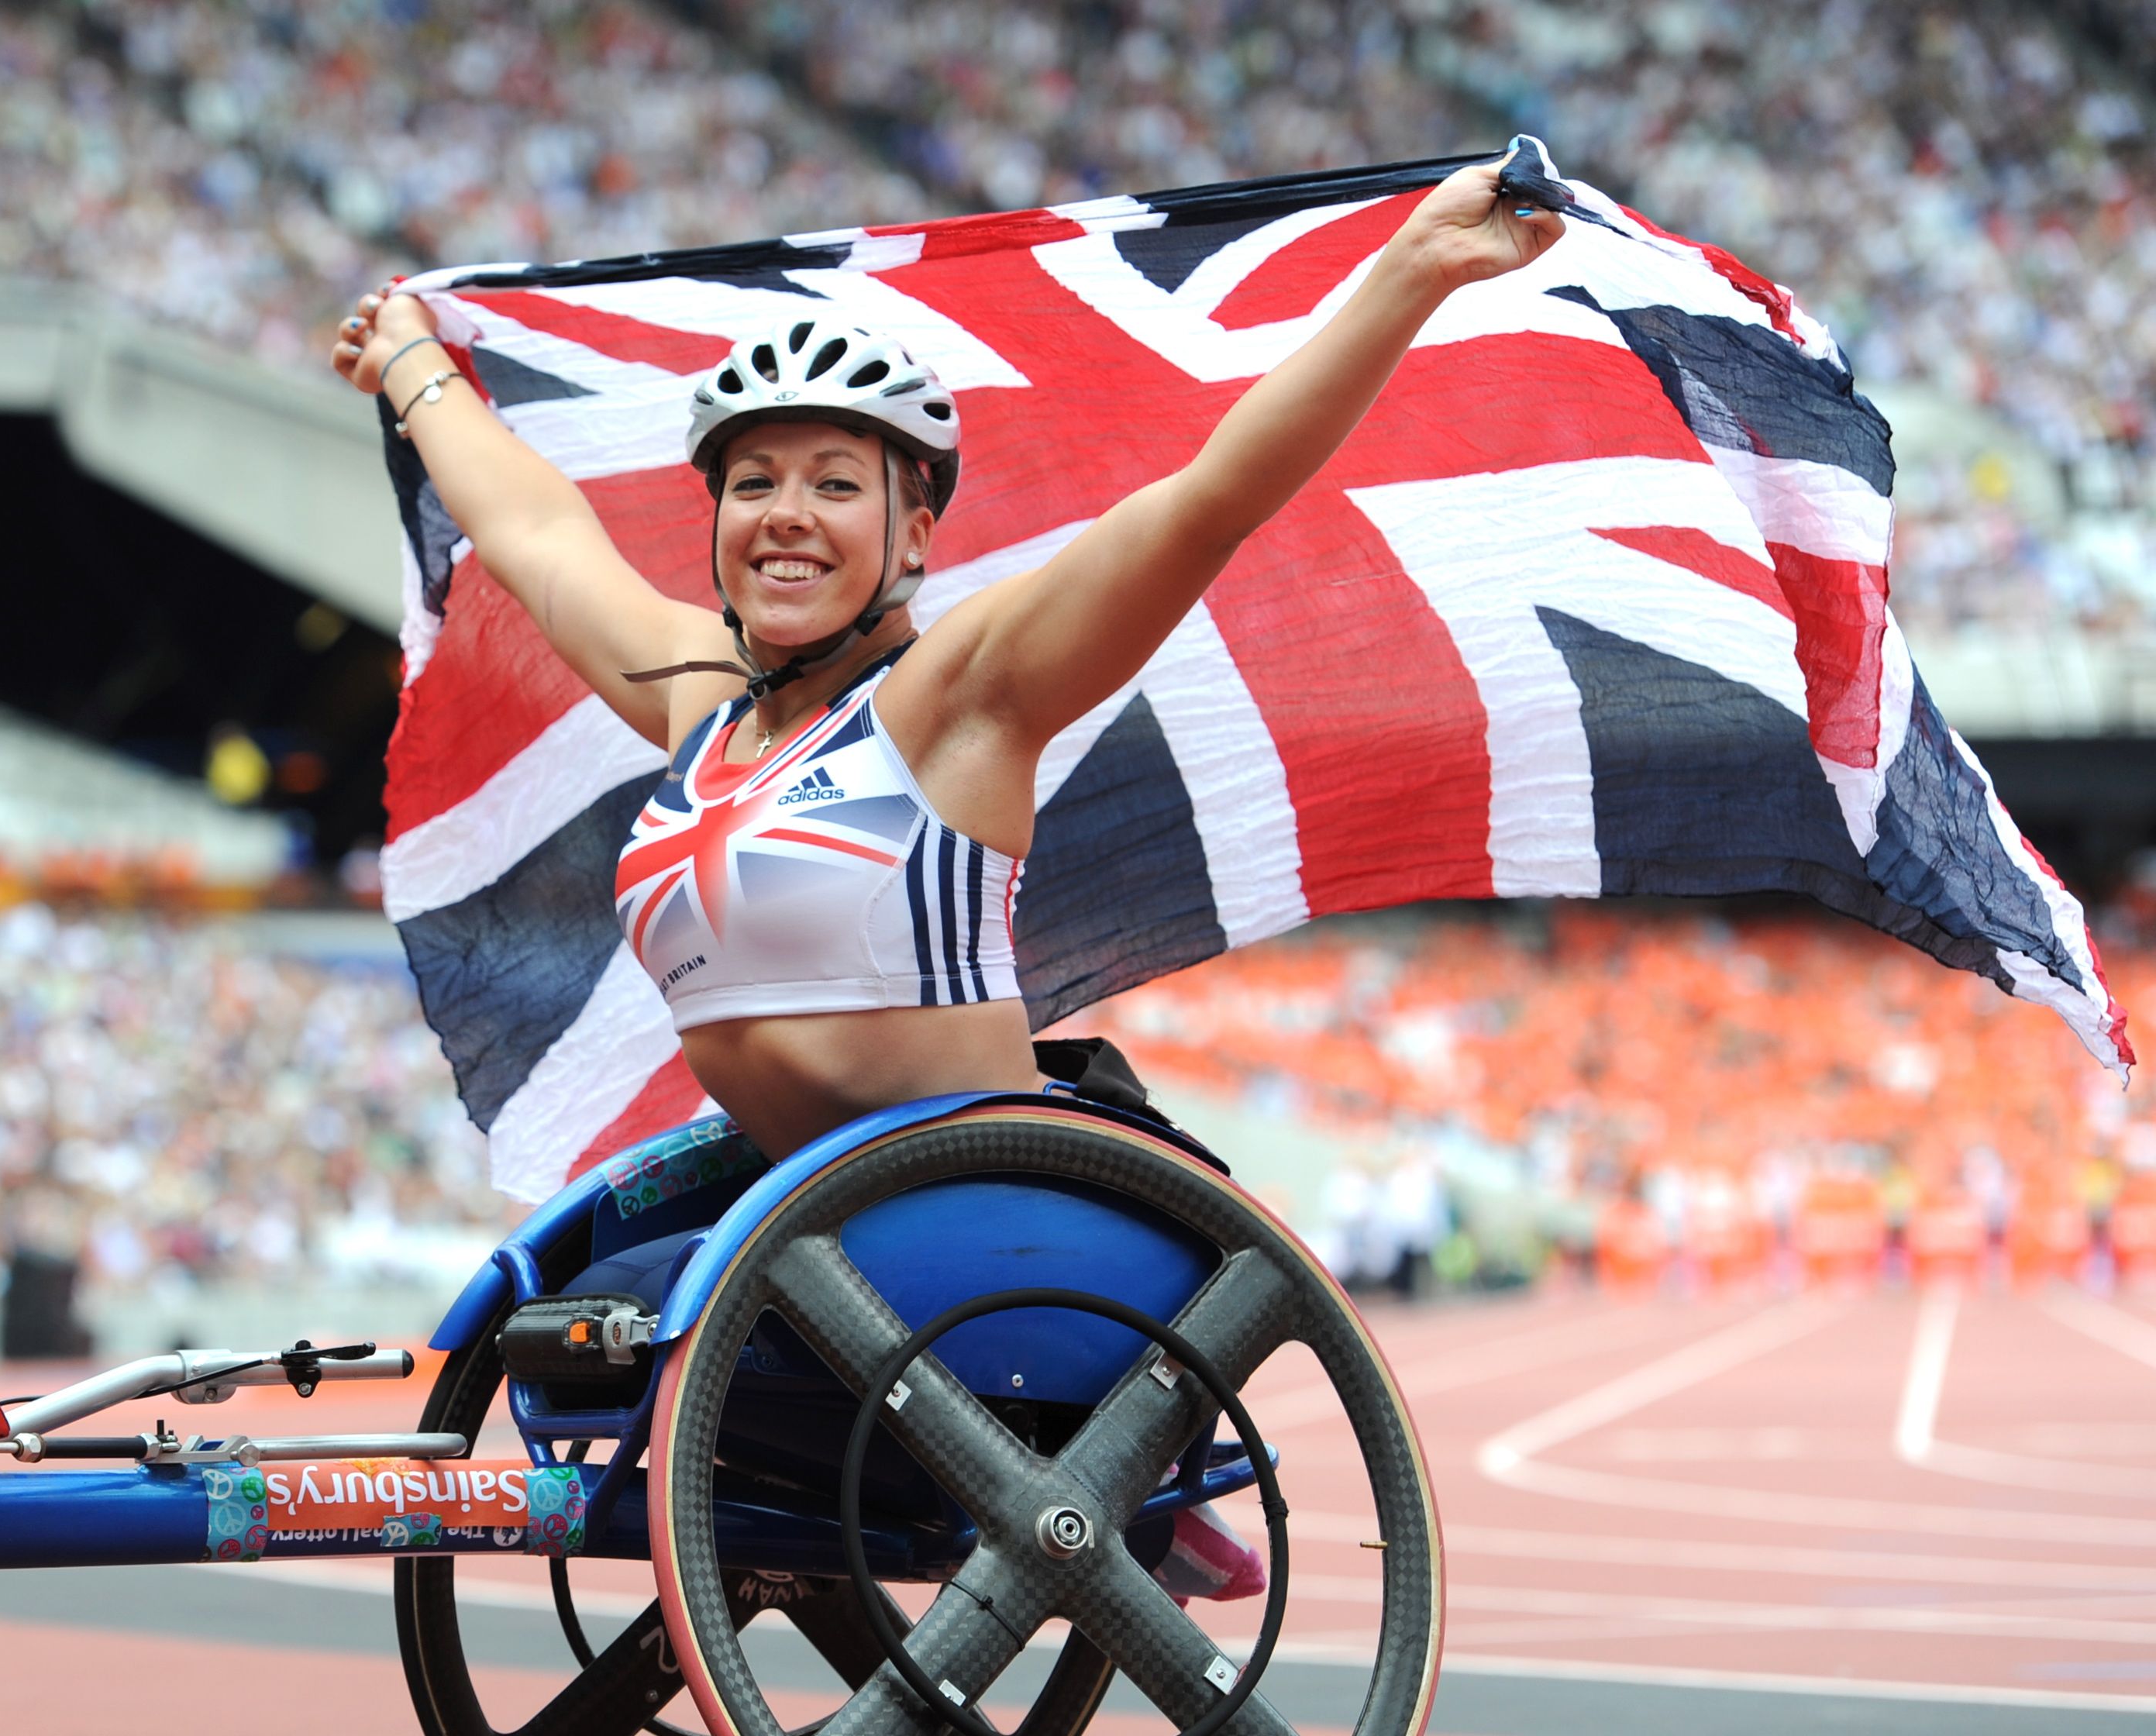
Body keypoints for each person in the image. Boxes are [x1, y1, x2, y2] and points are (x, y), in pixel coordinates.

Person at [336, 158, 1560, 1159]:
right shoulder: (695, 700)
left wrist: (1417, 268)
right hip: (784, 1226)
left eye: (833, 483)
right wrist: (412, 364)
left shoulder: (959, 693)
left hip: (980, 1234)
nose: (785, 514)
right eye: (753, 482)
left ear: (915, 533)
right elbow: (539, 532)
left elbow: (1207, 502)